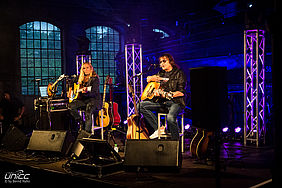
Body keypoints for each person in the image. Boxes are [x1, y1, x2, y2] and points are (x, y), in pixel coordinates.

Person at [138, 53, 187, 140]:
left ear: (171, 62)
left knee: (170, 118)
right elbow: (151, 81)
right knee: (140, 106)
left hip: (176, 102)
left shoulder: (179, 73)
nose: (161, 64)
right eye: (160, 62)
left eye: (164, 61)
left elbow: (182, 92)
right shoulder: (161, 73)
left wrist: (169, 94)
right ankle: (159, 128)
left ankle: (175, 143)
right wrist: (151, 80)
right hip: (163, 102)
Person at [68, 62, 101, 133]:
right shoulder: (80, 77)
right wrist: (70, 91)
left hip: (93, 100)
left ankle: (86, 133)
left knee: (88, 112)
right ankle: (81, 122)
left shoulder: (95, 79)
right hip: (83, 100)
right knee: (70, 106)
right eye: (83, 68)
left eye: (87, 68)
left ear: (91, 68)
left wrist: (86, 92)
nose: (85, 70)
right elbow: (71, 82)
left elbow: (94, 92)